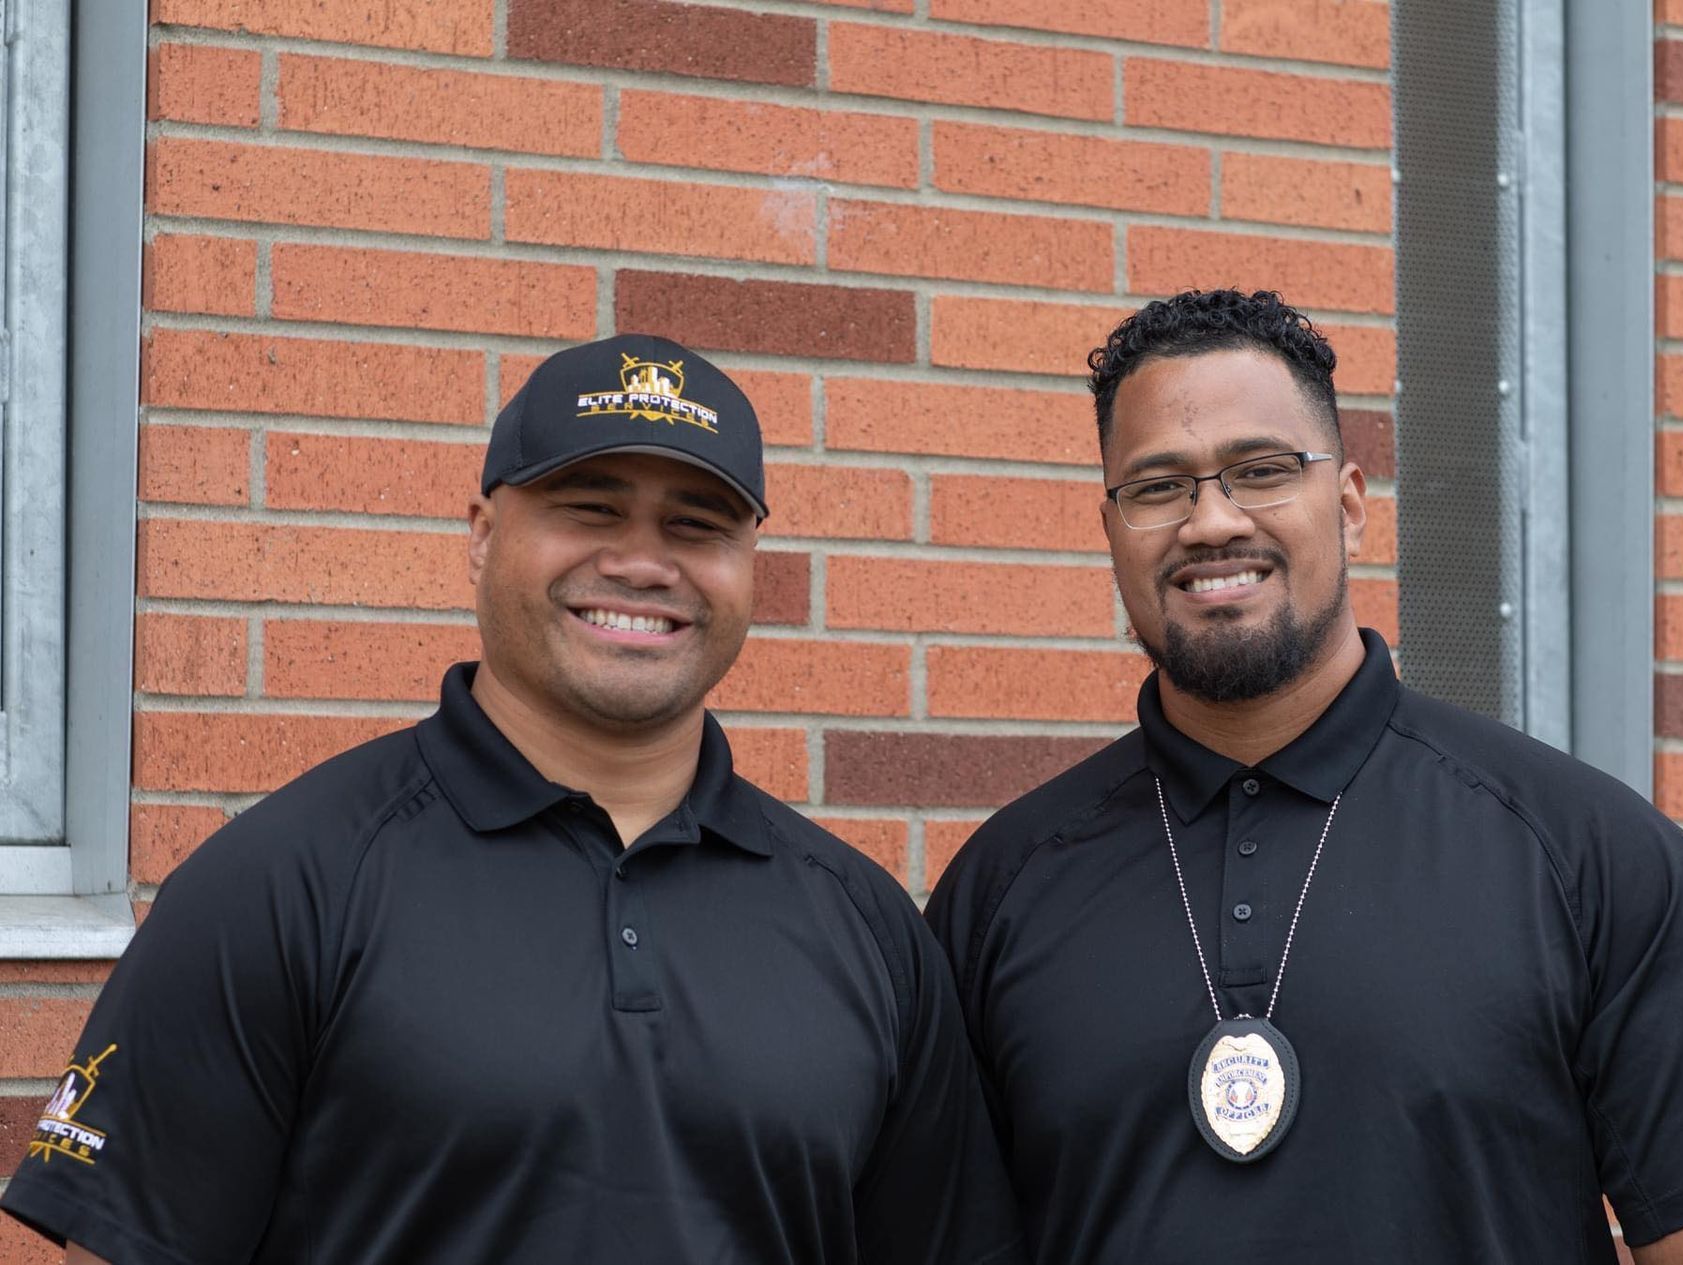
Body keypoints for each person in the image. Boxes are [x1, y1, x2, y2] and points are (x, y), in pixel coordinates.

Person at [5, 334, 1027, 1265]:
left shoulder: (863, 925)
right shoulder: (284, 881)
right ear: (484, 532)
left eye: (697, 523)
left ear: (749, 565)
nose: (640, 560)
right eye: (589, 508)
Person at [926, 289, 1683, 1263]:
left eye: (1262, 470)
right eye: (1157, 486)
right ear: (1111, 526)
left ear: (1350, 503)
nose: (1210, 520)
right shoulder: (1001, 892)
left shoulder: (1591, 859)